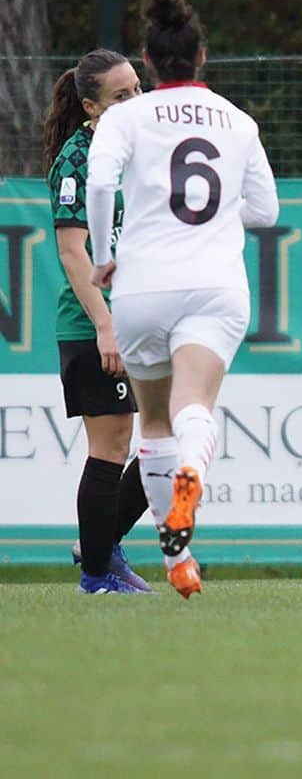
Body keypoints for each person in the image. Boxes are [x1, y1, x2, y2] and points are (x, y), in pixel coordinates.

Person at [86, 0, 279, 599]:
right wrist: (220, 219)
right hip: (216, 285)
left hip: (143, 286)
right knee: (197, 407)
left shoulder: (124, 116)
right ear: (201, 57)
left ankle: (178, 559)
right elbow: (267, 211)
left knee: (157, 422)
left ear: (147, 60)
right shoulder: (239, 121)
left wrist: (103, 256)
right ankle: (191, 489)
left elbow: (98, 182)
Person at [43, 50, 151, 595]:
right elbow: (72, 252)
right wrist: (106, 326)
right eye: (121, 95)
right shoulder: (77, 158)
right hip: (94, 326)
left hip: (141, 317)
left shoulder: (139, 155)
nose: (135, 101)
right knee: (111, 446)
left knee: (170, 438)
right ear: (90, 107)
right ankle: (98, 574)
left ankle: (99, 544)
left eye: (138, 89)